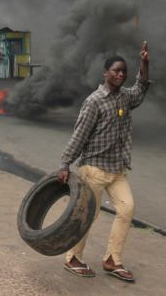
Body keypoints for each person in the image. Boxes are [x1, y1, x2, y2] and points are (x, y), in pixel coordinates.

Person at [57, 42, 150, 282]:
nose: (121, 74)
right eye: (116, 70)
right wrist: (65, 164)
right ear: (105, 73)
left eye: (124, 71)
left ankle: (112, 260)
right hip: (94, 168)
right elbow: (79, 135)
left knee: (127, 209)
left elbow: (140, 90)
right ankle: (72, 258)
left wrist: (145, 64)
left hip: (117, 169)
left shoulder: (125, 97)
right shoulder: (94, 101)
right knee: (89, 214)